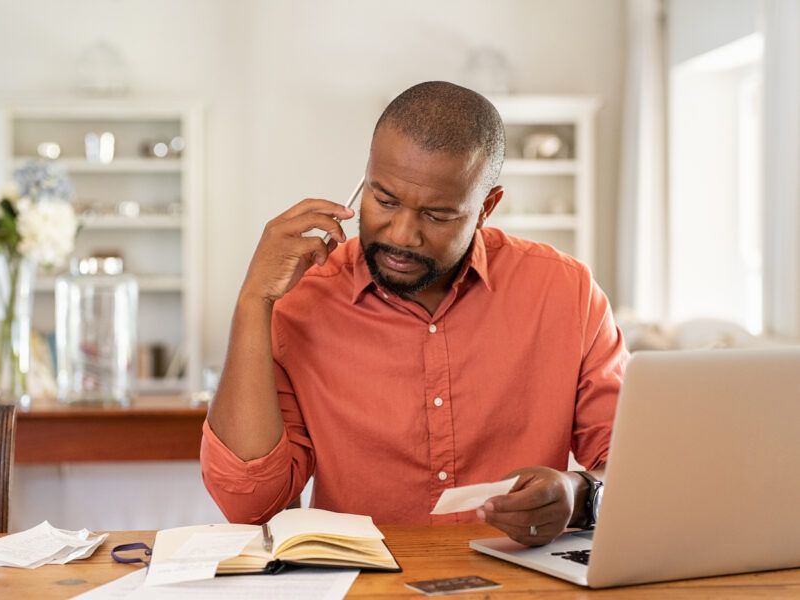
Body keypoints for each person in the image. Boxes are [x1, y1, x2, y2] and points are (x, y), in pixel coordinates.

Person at [201, 81, 628, 547]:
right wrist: (253, 301)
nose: (402, 235)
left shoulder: (567, 293)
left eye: (438, 215)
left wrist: (579, 492)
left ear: (486, 207)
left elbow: (635, 468)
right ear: (364, 179)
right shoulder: (302, 300)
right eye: (384, 200)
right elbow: (250, 506)